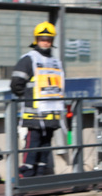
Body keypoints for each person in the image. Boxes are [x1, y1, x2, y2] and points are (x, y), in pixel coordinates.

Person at [10, 21, 65, 177]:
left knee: (46, 141)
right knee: (33, 140)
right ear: (36, 39)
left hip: (51, 111)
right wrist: (29, 98)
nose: (45, 42)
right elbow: (16, 84)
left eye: (48, 39)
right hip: (34, 111)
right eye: (42, 39)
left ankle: (41, 171)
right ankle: (27, 171)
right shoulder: (29, 59)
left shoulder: (56, 62)